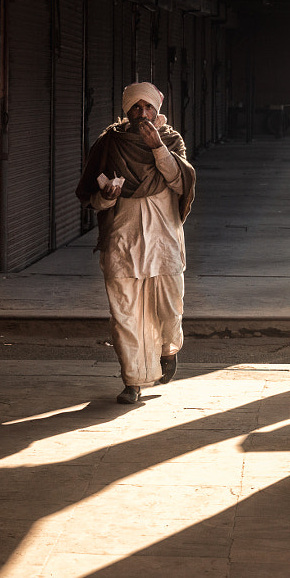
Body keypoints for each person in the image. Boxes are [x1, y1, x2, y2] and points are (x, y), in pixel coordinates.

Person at [75, 82, 197, 404]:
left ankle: (167, 351)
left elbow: (180, 182)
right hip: (122, 242)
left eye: (148, 107)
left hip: (163, 242)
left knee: (169, 309)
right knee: (125, 316)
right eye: (135, 108)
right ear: (126, 110)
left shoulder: (171, 140)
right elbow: (91, 198)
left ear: (157, 109)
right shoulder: (109, 143)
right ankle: (132, 381)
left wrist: (158, 148)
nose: (142, 113)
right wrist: (106, 196)